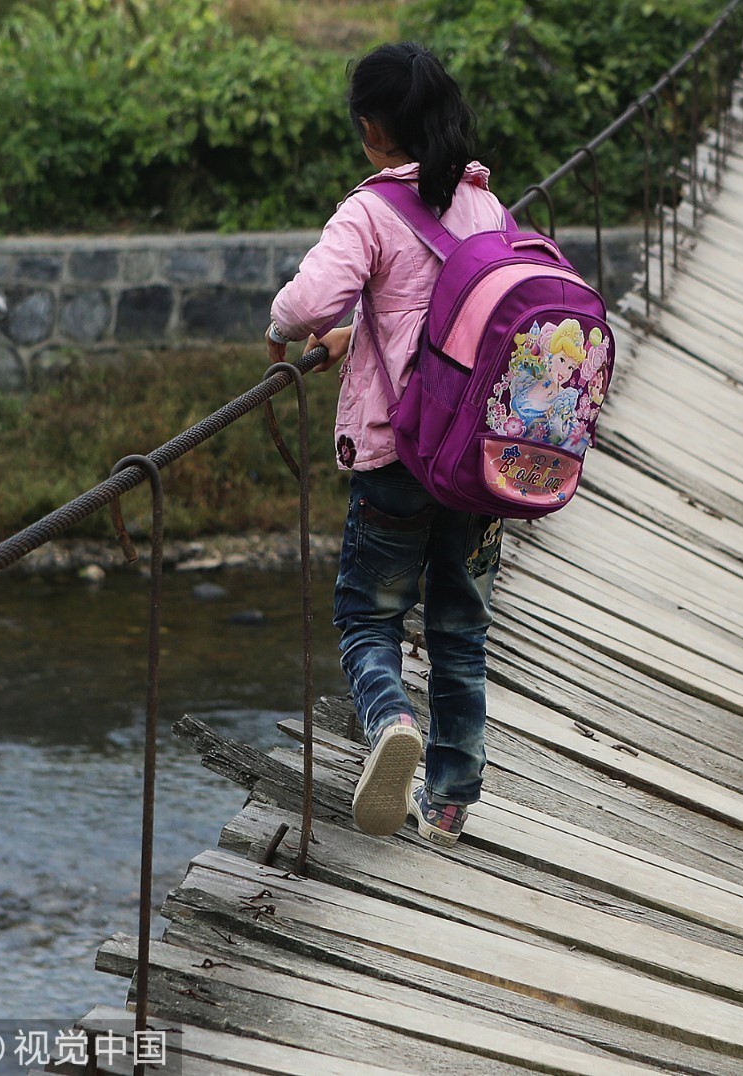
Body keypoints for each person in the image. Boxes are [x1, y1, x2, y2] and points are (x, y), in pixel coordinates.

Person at [266, 42, 506, 848]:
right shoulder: (486, 207)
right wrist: (354, 335)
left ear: (370, 127)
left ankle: (390, 719)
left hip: (397, 453)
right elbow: (440, 316)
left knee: (367, 619)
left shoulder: (370, 210)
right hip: (474, 462)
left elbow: (308, 301)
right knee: (459, 627)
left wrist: (284, 330)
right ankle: (448, 803)